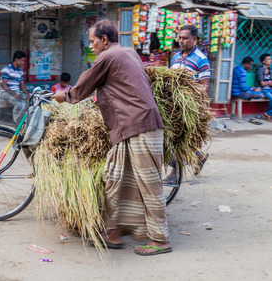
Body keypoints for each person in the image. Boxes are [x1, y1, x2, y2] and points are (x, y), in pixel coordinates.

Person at [52, 20, 171, 256]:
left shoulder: (107, 57)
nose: (91, 46)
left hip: (140, 125)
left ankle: (161, 240)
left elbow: (82, 88)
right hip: (131, 126)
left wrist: (63, 95)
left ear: (104, 40)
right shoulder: (128, 53)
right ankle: (115, 232)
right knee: (115, 178)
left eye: (93, 41)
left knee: (148, 185)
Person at [169, 24, 210, 176]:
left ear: (194, 39)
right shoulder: (175, 57)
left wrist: (192, 102)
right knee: (177, 136)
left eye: (185, 38)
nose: (181, 41)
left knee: (179, 136)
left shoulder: (201, 59)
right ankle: (199, 156)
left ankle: (174, 173)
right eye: (180, 38)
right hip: (173, 104)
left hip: (189, 106)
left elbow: (204, 87)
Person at [256, 53, 272, 122]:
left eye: (270, 59)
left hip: (269, 88)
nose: (270, 60)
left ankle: (268, 113)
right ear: (263, 61)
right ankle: (268, 114)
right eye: (268, 59)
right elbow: (262, 84)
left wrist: (269, 83)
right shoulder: (260, 70)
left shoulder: (270, 70)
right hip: (263, 89)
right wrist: (269, 83)